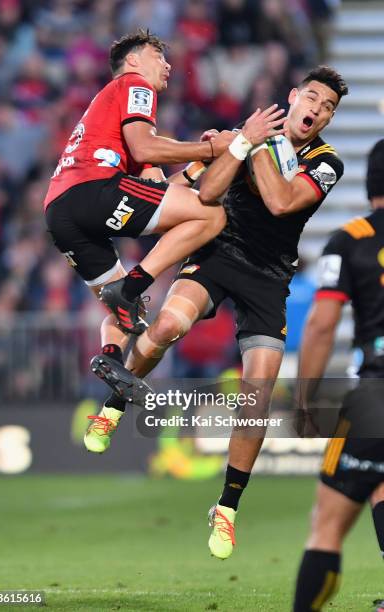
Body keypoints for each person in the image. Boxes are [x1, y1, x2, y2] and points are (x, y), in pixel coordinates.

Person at [85, 65, 348, 561]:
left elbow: (279, 200)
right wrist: (239, 145)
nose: (317, 109)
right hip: (218, 254)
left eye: (329, 107)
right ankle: (115, 405)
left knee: (257, 396)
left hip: (269, 277)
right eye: (312, 98)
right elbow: (207, 194)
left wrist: (253, 145)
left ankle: (226, 509)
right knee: (166, 324)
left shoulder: (328, 161)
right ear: (293, 97)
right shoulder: (248, 135)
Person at [44, 29, 238, 392]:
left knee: (125, 311)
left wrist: (199, 166)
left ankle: (111, 357)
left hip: (60, 211)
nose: (167, 64)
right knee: (212, 216)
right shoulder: (134, 85)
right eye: (158, 56)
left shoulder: (112, 115)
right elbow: (146, 148)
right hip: (92, 189)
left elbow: (159, 192)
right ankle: (134, 284)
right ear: (133, 60)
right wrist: (210, 151)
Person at [293, 139, 384, 612]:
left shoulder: (350, 239)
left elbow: (323, 323)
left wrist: (305, 399)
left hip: (376, 396)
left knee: (326, 528)